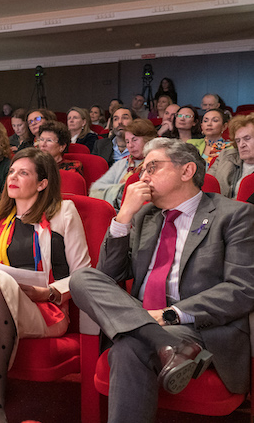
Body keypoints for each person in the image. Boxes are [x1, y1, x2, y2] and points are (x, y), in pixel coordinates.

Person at [70, 138, 254, 423]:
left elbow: (242, 289)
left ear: (187, 170)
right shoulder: (145, 216)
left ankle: (164, 341)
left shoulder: (234, 215)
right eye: (142, 169)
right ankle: (169, 347)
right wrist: (124, 216)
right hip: (144, 316)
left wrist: (169, 315)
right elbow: (109, 275)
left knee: (128, 348)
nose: (142, 177)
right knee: (83, 278)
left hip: (198, 326)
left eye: (152, 168)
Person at [0, 147, 91, 422]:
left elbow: (84, 274)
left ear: (42, 183)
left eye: (24, 172)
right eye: (12, 171)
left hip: (45, 309)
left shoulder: (63, 213)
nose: (13, 177)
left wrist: (50, 292)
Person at [90, 119, 157, 209]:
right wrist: (121, 190)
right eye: (127, 141)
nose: (130, 145)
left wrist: (114, 192)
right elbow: (95, 189)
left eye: (134, 140)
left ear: (148, 140)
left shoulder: (157, 165)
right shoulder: (121, 163)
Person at [208, 114, 254, 198]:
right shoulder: (225, 156)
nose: (241, 145)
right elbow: (207, 185)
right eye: (238, 140)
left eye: (247, 138)